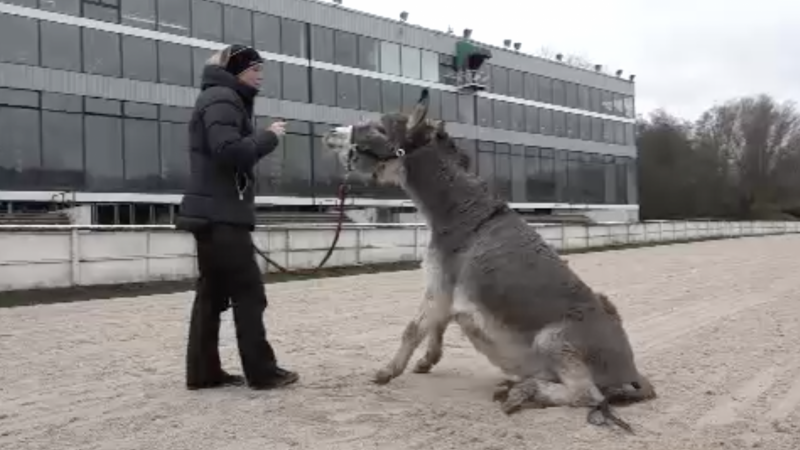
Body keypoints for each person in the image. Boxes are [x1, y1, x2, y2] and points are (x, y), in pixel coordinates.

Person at [175, 44, 299, 391]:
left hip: (211, 214)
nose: (260, 75)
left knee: (211, 296)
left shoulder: (219, 97)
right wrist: (268, 138)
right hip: (222, 216)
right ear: (237, 71)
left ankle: (203, 373)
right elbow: (229, 151)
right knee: (249, 294)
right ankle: (262, 372)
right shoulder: (222, 99)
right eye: (255, 69)